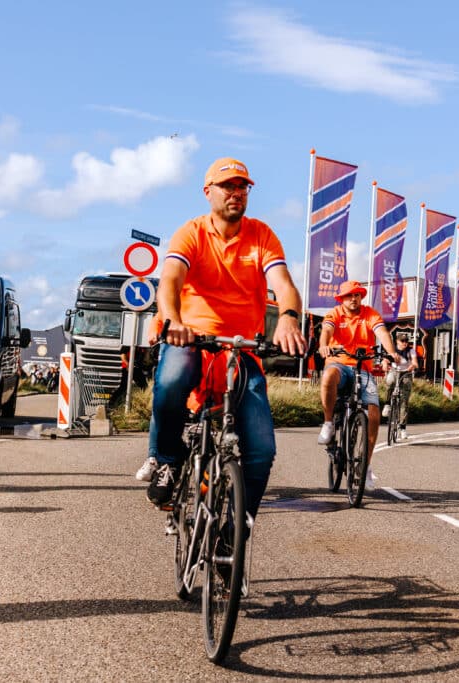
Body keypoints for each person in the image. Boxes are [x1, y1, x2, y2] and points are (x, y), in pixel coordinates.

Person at [140, 157, 307, 519]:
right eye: (228, 186)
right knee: (170, 383)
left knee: (261, 449)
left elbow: (284, 285)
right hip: (192, 339)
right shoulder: (192, 232)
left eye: (242, 187)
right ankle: (168, 460)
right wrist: (173, 321)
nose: (237, 193)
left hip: (240, 347)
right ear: (208, 191)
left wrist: (290, 318)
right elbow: (169, 281)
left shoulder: (261, 235)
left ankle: (236, 531)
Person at [316, 280, 397, 487]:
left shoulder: (370, 314)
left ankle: (366, 465)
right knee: (328, 378)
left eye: (357, 295)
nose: (354, 299)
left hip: (363, 368)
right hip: (339, 364)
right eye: (349, 295)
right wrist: (324, 346)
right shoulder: (334, 313)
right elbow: (326, 330)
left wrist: (391, 352)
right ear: (341, 299)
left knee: (373, 414)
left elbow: (382, 333)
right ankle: (328, 423)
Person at [384, 333, 417, 440]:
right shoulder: (392, 350)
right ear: (397, 341)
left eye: (406, 341)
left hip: (406, 373)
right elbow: (386, 360)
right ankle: (387, 404)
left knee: (404, 400)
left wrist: (413, 366)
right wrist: (385, 364)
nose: (405, 343)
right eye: (402, 341)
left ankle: (402, 428)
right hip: (395, 371)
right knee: (390, 381)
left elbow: (415, 362)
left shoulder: (411, 351)